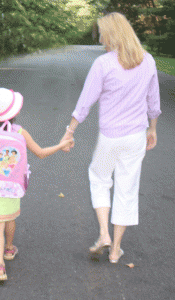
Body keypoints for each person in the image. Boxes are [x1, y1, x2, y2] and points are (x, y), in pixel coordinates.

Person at [61, 12, 161, 263]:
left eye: (103, 32)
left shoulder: (104, 63)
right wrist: (153, 129)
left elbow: (86, 101)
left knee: (99, 178)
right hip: (136, 135)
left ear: (112, 33)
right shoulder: (147, 60)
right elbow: (154, 101)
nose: (101, 37)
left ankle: (104, 233)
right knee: (127, 189)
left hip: (110, 137)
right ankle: (116, 250)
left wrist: (70, 130)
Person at [0, 88, 73, 281]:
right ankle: (9, 250)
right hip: (12, 187)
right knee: (9, 218)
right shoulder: (20, 132)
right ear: (16, 112)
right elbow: (40, 152)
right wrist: (61, 145)